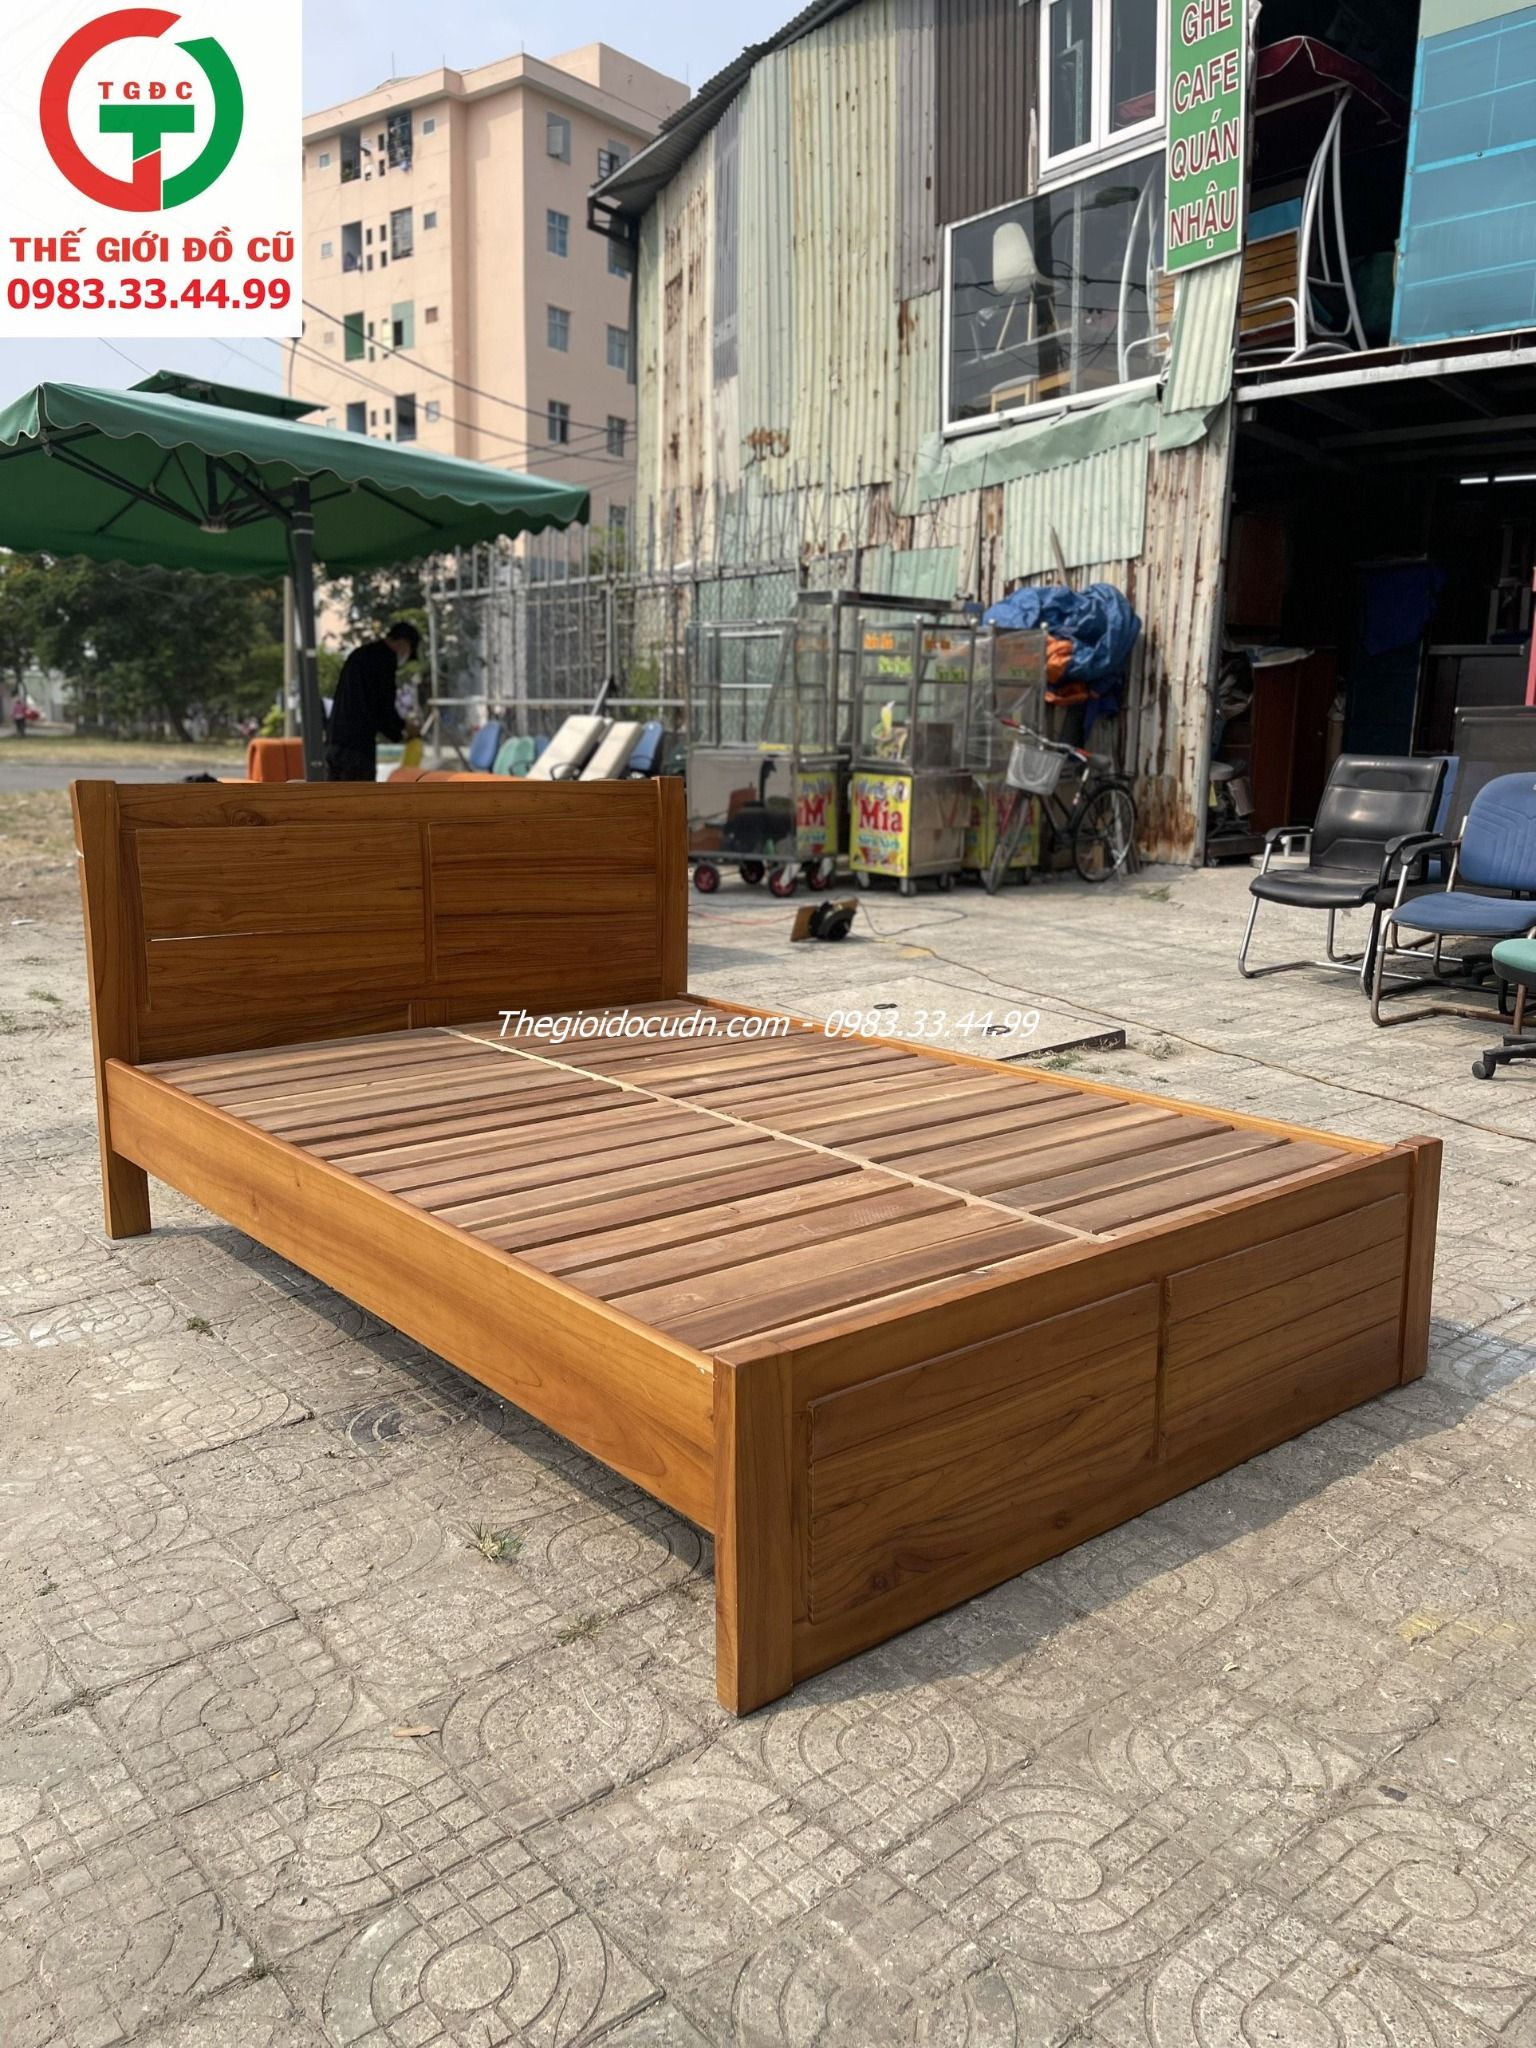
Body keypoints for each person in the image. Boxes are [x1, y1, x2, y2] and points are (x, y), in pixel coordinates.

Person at [324, 621, 421, 781]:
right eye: (408, 653)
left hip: (334, 743)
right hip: (356, 750)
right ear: (404, 643)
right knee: (361, 796)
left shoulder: (360, 654)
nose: (404, 658)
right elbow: (382, 709)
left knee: (335, 795)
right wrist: (404, 730)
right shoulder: (384, 661)